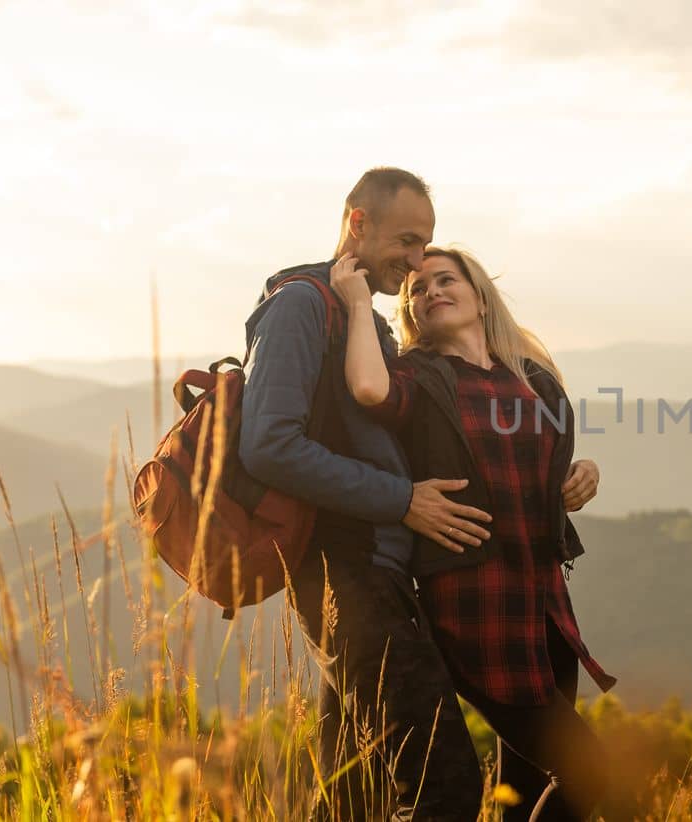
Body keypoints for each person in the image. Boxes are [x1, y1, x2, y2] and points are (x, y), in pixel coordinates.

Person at [238, 168, 489, 820]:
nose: (416, 260)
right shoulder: (300, 305)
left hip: (371, 578)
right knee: (447, 786)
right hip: (345, 579)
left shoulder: (358, 318)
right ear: (357, 223)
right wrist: (401, 500)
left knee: (354, 798)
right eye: (406, 240)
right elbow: (269, 446)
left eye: (427, 243)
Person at [329, 245, 613, 821]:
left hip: (546, 607)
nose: (430, 291)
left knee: (529, 789)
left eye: (444, 279)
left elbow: (553, 474)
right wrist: (360, 301)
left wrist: (585, 475)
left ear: (480, 296)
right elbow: (366, 388)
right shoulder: (421, 378)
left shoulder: (536, 382)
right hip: (472, 609)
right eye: (417, 290)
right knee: (593, 774)